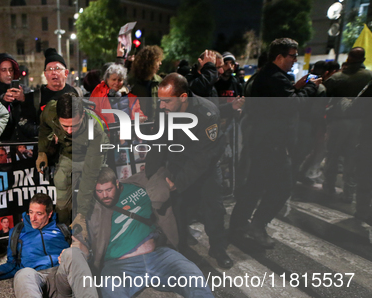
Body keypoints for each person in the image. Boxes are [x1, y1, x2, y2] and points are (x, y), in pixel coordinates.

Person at [85, 168, 270, 298]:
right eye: (99, 192)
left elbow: (164, 169)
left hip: (158, 255)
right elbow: (79, 232)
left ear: (117, 184)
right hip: (120, 265)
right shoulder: (90, 208)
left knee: (191, 273)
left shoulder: (139, 185)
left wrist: (172, 181)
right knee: (111, 291)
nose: (105, 195)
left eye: (108, 189)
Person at [229, 38, 321, 248]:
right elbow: (292, 104)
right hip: (272, 145)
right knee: (282, 188)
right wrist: (311, 88)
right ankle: (257, 226)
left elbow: (283, 100)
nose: (295, 60)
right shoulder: (274, 77)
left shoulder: (271, 76)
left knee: (254, 187)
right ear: (279, 57)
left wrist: (296, 87)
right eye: (292, 56)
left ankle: (238, 226)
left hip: (264, 142)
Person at [146, 73, 233, 268]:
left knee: (214, 209)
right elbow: (158, 144)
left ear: (183, 97)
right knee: (179, 210)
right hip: (178, 163)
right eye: (160, 101)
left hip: (206, 165)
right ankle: (180, 249)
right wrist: (152, 176)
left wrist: (179, 182)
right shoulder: (165, 110)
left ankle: (217, 247)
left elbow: (202, 158)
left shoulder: (206, 114)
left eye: (166, 101)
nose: (161, 106)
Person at [37, 93, 108, 227]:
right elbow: (44, 128)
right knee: (60, 183)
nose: (69, 131)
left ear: (82, 115)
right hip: (68, 154)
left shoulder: (96, 130)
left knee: (96, 192)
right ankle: (64, 228)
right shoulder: (50, 112)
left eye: (74, 126)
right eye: (65, 126)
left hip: (91, 156)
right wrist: (42, 151)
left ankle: (92, 228)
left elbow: (90, 176)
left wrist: (81, 214)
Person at [323, 47, 372, 203]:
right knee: (352, 158)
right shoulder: (369, 77)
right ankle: (349, 192)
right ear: (363, 59)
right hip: (360, 123)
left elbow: (324, 97)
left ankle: (328, 187)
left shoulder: (337, 78)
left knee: (332, 155)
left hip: (338, 121)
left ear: (349, 58)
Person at [0, 53, 38, 140]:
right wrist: (3, 101)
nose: (8, 74)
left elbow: (34, 116)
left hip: (25, 141)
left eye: (11, 70)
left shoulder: (25, 90)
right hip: (2, 143)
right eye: (4, 70)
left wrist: (24, 100)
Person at [128, 45, 163, 122]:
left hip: (154, 124)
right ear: (150, 62)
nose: (160, 63)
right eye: (157, 60)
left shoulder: (159, 81)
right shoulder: (132, 82)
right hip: (137, 124)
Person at [38, 48, 78, 115]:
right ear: (45, 74)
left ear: (66, 73)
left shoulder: (74, 93)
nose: (53, 72)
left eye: (57, 68)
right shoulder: (37, 96)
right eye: (49, 69)